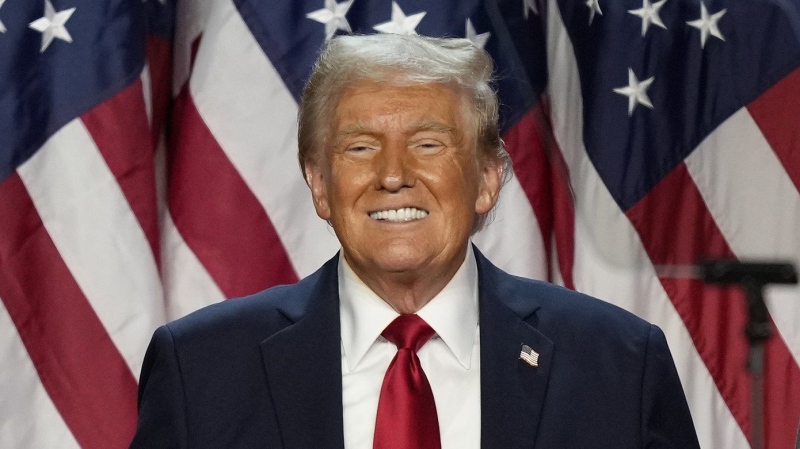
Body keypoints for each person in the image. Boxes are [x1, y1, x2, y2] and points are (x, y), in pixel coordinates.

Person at [130, 34, 700, 449]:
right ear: (319, 185)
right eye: (359, 147)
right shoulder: (202, 369)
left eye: (429, 144)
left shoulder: (617, 364)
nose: (394, 173)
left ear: (486, 180)